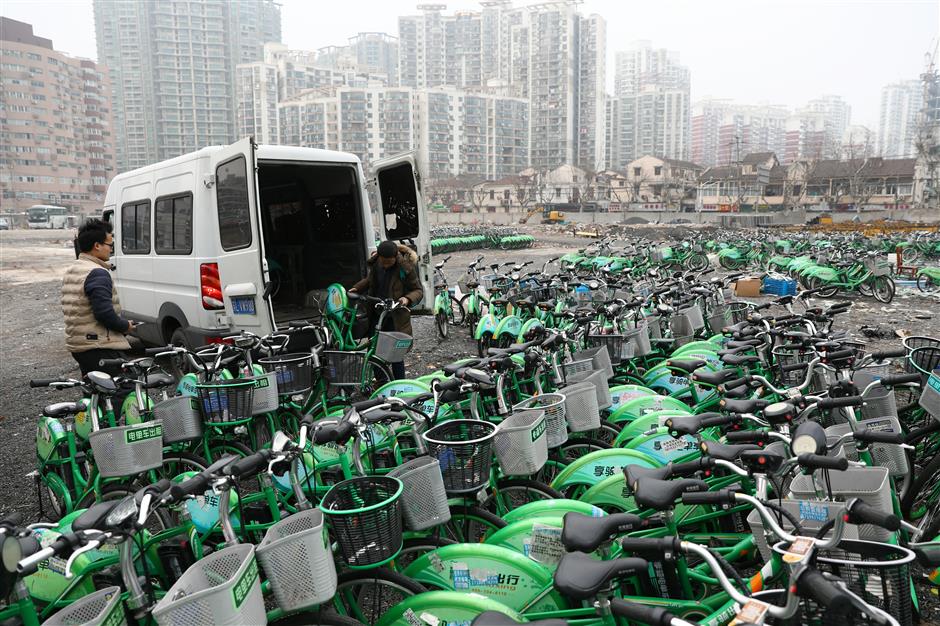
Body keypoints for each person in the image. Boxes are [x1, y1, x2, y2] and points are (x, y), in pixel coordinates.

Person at [62, 218, 136, 408]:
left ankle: (91, 430)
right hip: (98, 344)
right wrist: (126, 326)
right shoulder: (97, 273)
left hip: (79, 344)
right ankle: (110, 430)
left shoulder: (74, 268)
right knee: (125, 384)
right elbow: (103, 314)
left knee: (95, 390)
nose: (111, 249)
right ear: (97, 246)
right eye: (109, 245)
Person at [349, 240, 423, 380]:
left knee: (395, 353)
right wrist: (357, 288)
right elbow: (370, 280)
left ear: (396, 257)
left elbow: (418, 290)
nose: (385, 265)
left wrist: (406, 299)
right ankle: (381, 383)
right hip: (377, 313)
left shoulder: (405, 268)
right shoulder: (377, 263)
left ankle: (399, 384)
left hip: (395, 316)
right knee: (375, 350)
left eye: (389, 262)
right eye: (383, 261)